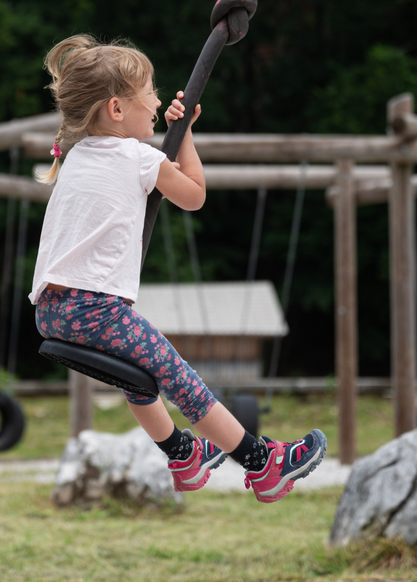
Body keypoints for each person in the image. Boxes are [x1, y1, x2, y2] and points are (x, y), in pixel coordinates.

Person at [30, 34, 326, 502]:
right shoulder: (137, 157)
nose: (156, 102)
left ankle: (182, 454)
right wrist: (184, 133)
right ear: (116, 109)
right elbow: (193, 194)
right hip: (95, 308)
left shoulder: (76, 156)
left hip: (50, 310)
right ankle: (261, 462)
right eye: (149, 92)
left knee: (138, 376)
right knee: (176, 375)